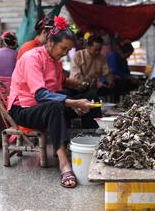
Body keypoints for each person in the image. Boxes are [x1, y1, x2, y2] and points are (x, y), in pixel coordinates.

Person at [7, 16, 98, 189]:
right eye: (63, 48)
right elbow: (41, 95)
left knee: (92, 98)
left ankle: (90, 149)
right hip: (23, 109)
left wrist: (75, 102)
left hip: (43, 106)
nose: (65, 53)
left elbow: (56, 92)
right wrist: (72, 103)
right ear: (50, 41)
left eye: (67, 50)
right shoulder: (31, 57)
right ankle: (64, 165)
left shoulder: (55, 62)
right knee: (56, 107)